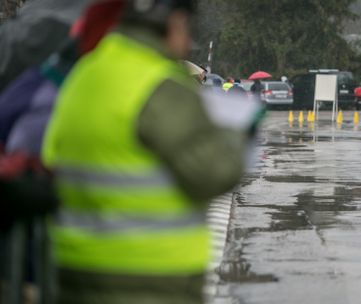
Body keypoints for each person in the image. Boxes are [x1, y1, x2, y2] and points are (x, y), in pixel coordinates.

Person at [41, 1, 252, 303]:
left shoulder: (83, 75)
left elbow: (51, 158)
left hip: (78, 273)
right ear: (174, 22)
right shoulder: (159, 85)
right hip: (151, 277)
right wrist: (235, 136)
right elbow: (216, 172)